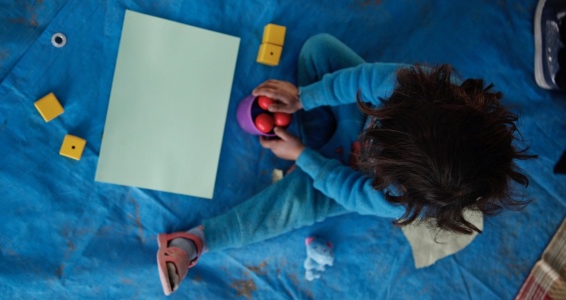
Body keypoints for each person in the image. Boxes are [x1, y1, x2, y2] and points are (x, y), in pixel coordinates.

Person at [155, 33, 536, 296]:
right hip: (359, 117)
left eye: (378, 149)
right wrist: (302, 99)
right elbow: (359, 80)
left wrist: (303, 157)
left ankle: (196, 241)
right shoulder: (415, 87)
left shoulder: (399, 197)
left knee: (292, 206)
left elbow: (350, 191)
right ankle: (322, 129)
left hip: (347, 174)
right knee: (319, 51)